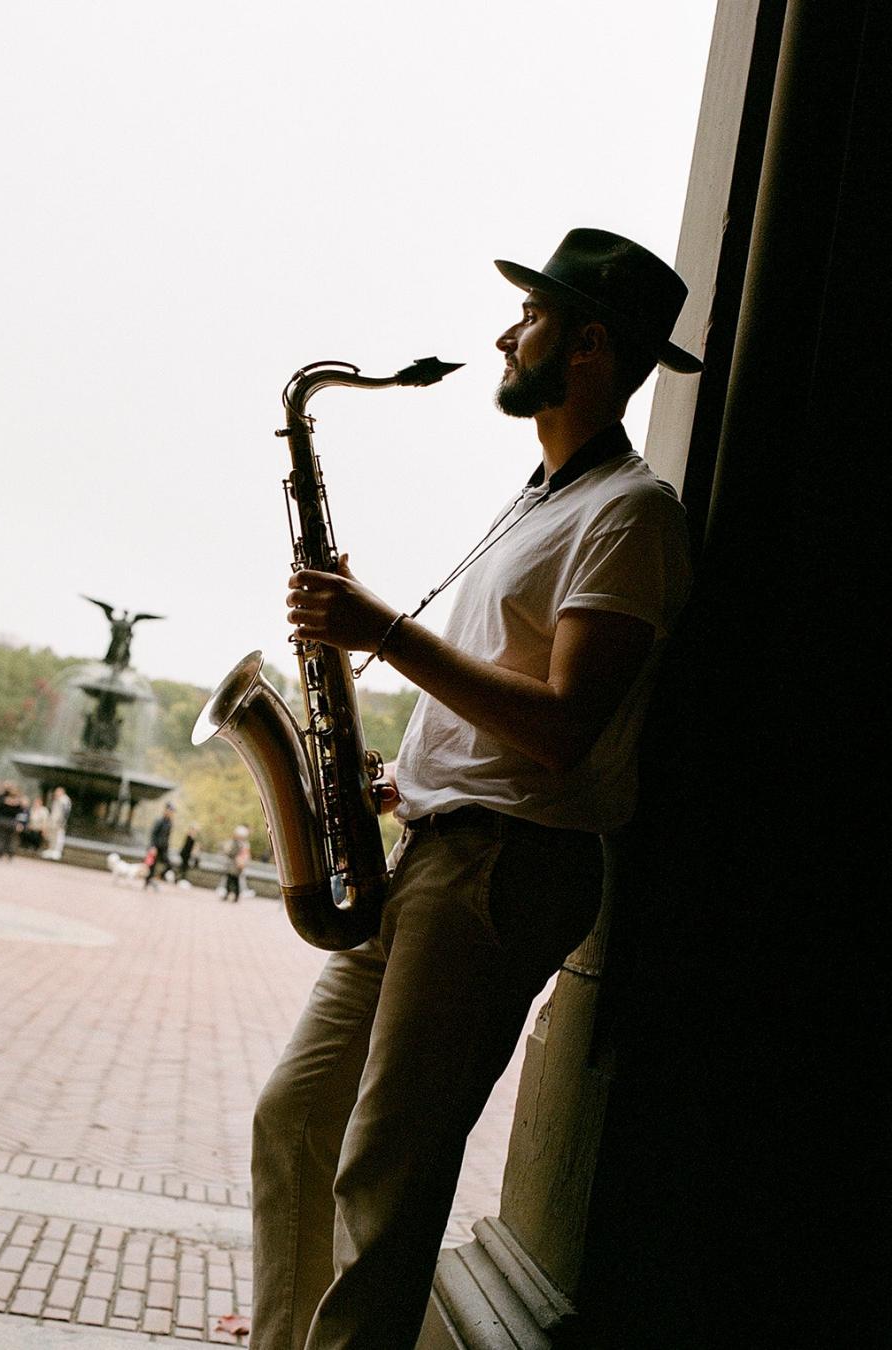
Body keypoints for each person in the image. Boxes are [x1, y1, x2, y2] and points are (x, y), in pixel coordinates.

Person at [253, 227, 700, 1349]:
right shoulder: (540, 499)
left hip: (504, 869)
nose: (508, 334)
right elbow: (497, 693)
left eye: (533, 319)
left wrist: (382, 630)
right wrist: (398, 781)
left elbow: (563, 728)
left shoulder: (632, 515)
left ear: (588, 345)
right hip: (436, 851)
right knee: (297, 1120)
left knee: (386, 1173)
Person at [143, 802, 176, 888]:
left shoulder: (170, 823)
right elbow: (153, 834)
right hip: (155, 848)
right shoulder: (159, 821)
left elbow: (167, 837)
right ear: (166, 810)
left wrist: (167, 849)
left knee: (169, 865)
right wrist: (152, 847)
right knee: (151, 867)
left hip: (163, 849)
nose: (171, 813)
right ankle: (147, 883)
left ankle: (156, 878)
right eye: (170, 811)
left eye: (172, 811)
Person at [222, 825, 251, 903]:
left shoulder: (237, 843)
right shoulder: (244, 844)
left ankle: (231, 894)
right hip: (237, 865)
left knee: (231, 880)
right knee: (235, 880)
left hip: (234, 865)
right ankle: (234, 895)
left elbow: (231, 853)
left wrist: (228, 851)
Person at [42, 785, 72, 860]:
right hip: (53, 822)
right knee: (52, 837)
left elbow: (65, 813)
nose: (56, 793)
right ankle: (51, 850)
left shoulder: (65, 800)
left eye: (57, 791)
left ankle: (57, 851)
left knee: (59, 837)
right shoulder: (56, 800)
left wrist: (61, 822)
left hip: (60, 823)